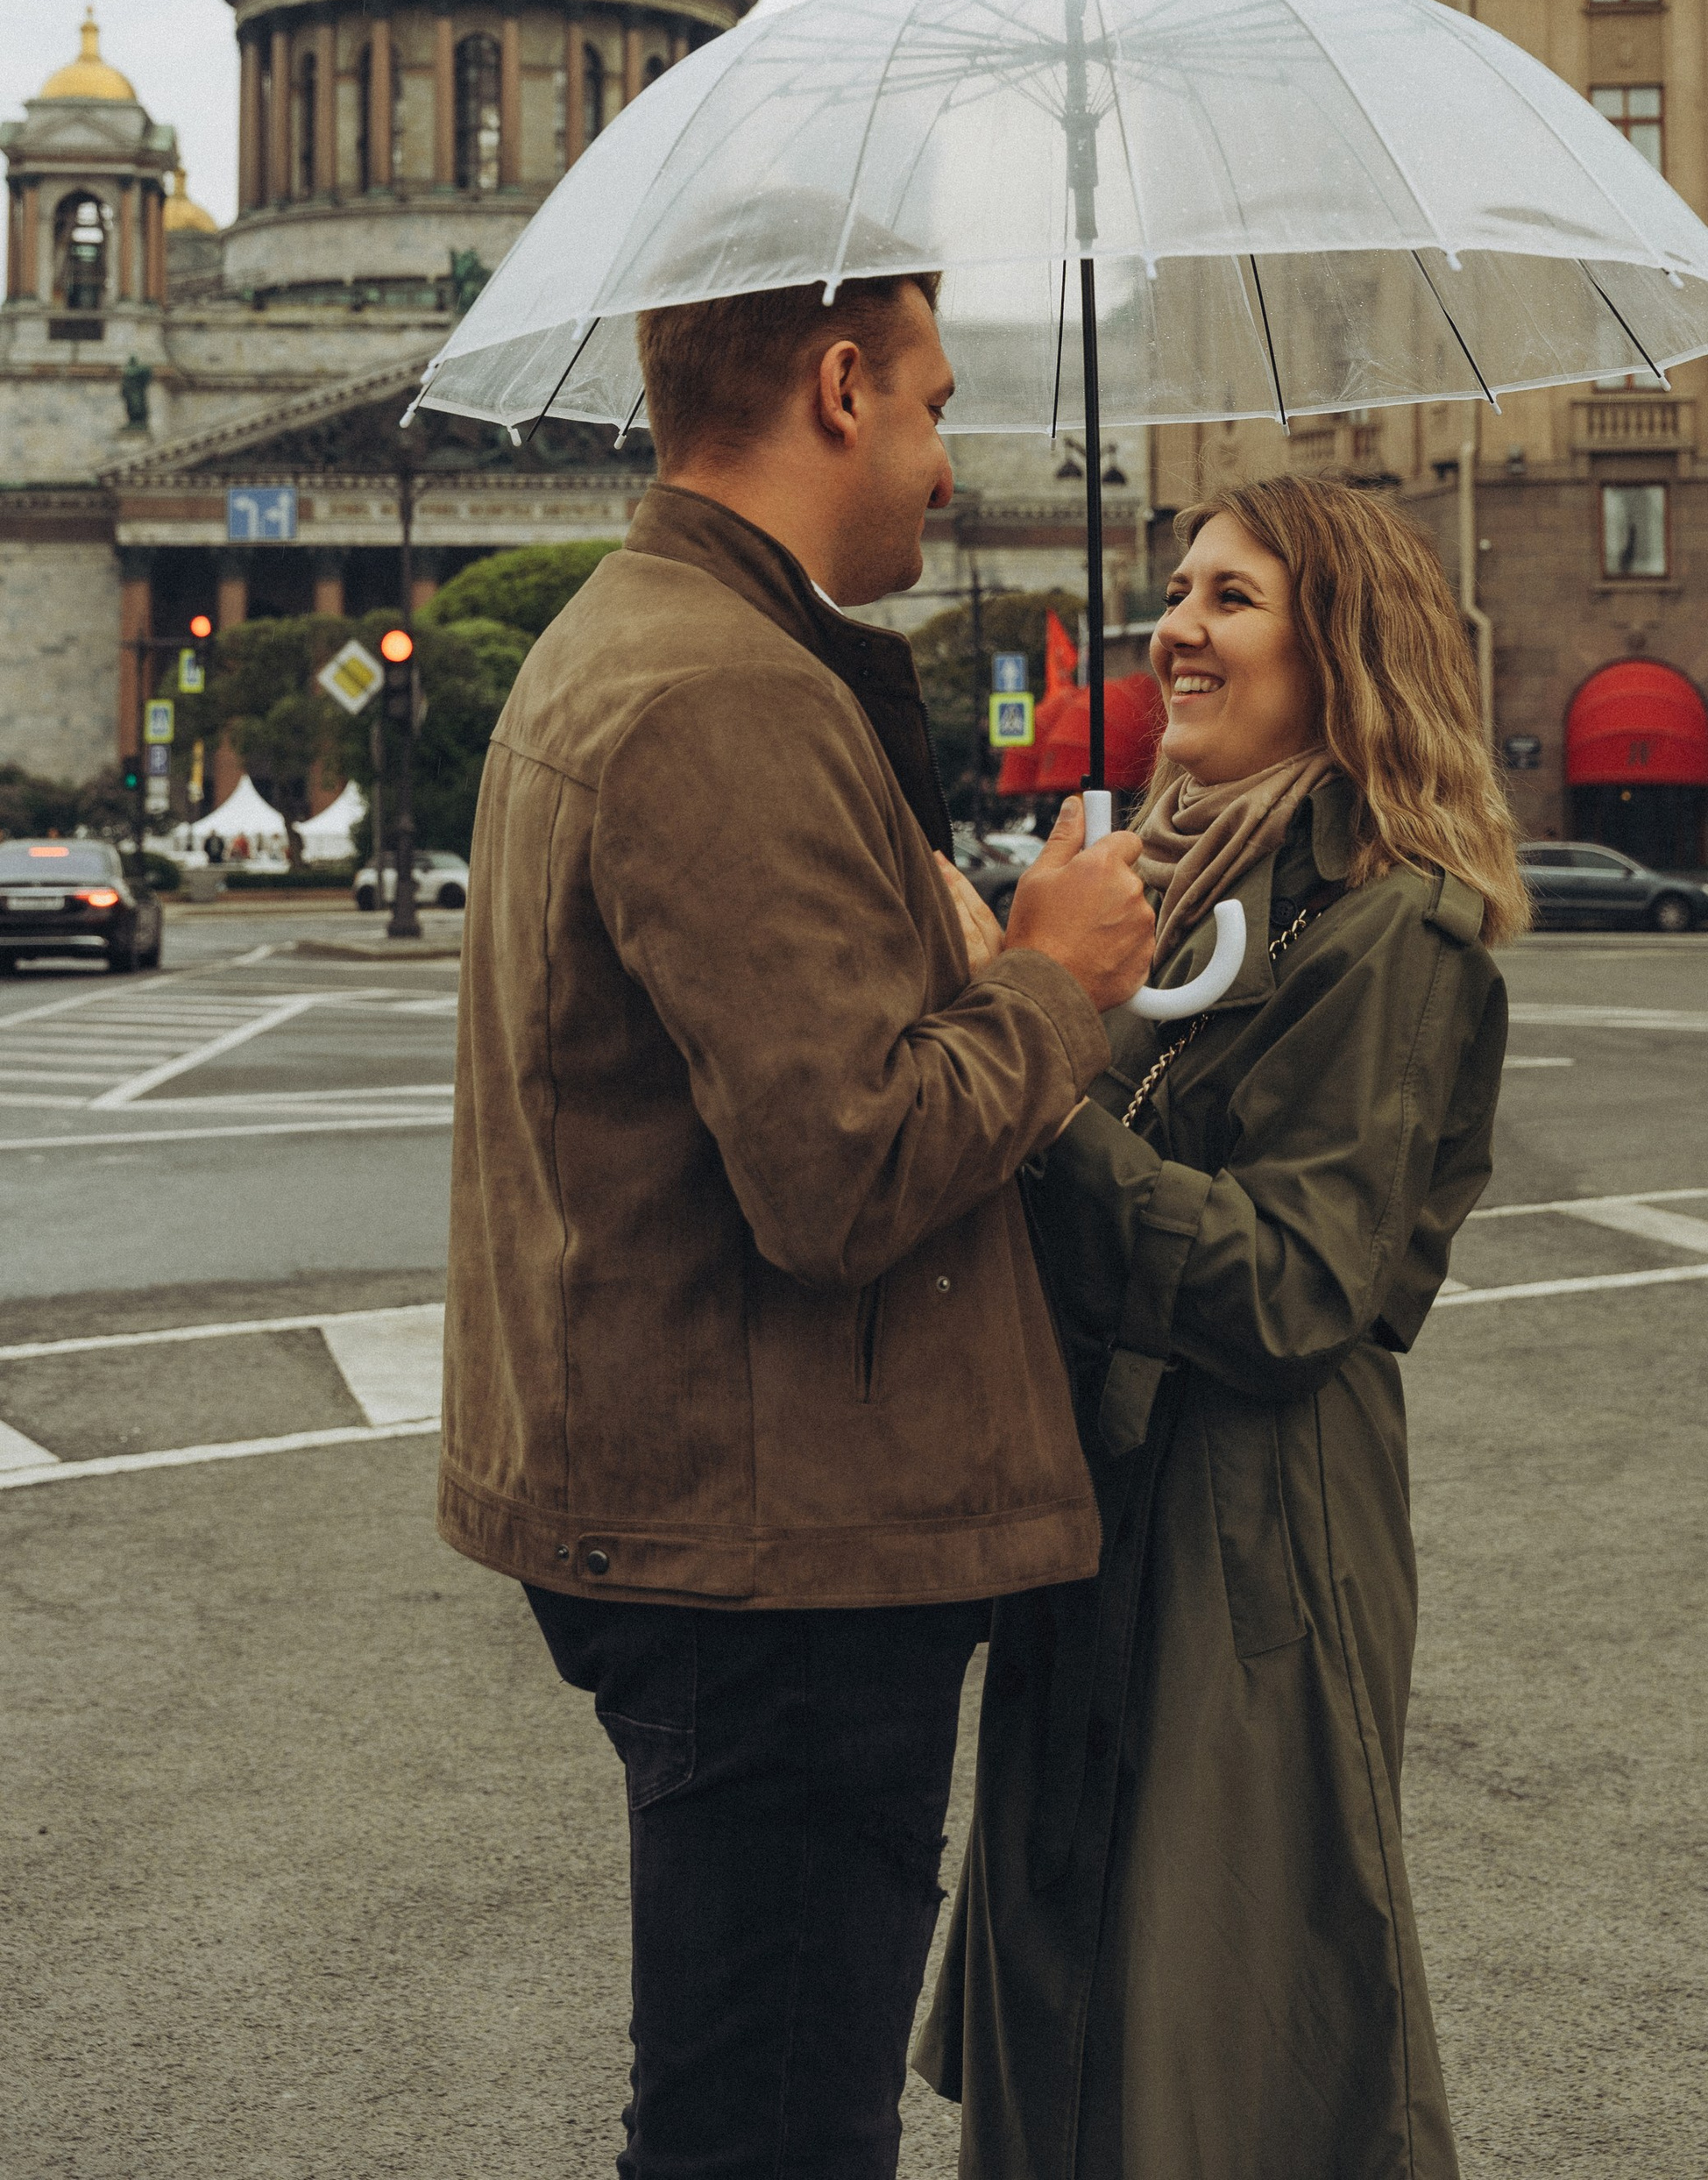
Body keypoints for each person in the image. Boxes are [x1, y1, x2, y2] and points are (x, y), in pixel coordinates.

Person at [438, 268, 1155, 2180]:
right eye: (927, 402)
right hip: (776, 1545)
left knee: (741, 2102)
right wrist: (1057, 989)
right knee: (767, 2134)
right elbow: (842, 1168)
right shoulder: (722, 696)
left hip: (725, 1509)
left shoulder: (655, 641)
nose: (943, 460)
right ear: (837, 387)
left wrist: (967, 951)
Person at [918, 472, 1527, 2180]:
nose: (1173, 626)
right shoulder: (1164, 887)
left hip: (1254, 1538)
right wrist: (1016, 990)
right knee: (1074, 2021)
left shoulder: (1393, 924)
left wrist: (1045, 1097)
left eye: (1230, 595)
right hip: (1097, 1519)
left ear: (1337, 648)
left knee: (1215, 2052)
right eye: (1176, 587)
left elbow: (1291, 1289)